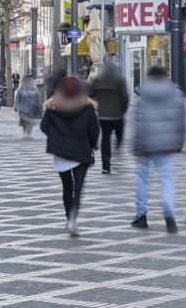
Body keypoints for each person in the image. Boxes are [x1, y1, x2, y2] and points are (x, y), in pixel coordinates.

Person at [40, 76, 99, 237]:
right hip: (81, 150)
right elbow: (94, 131)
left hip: (61, 152)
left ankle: (68, 219)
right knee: (78, 188)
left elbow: (44, 126)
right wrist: (93, 143)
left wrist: (56, 137)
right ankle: (73, 219)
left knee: (67, 186)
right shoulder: (87, 108)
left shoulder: (53, 107)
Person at [131, 66, 186, 233]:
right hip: (168, 145)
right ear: (165, 76)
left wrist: (138, 148)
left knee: (142, 180)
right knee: (167, 180)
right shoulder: (176, 94)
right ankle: (169, 215)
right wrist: (179, 143)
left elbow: (139, 122)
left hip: (147, 145)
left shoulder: (143, 95)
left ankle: (141, 216)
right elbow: (181, 120)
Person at [89, 63, 129, 174]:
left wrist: (96, 106)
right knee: (119, 134)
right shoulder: (120, 80)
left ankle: (106, 166)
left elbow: (90, 95)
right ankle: (118, 147)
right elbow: (125, 97)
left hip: (103, 115)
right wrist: (124, 110)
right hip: (117, 115)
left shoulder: (97, 80)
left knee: (105, 139)